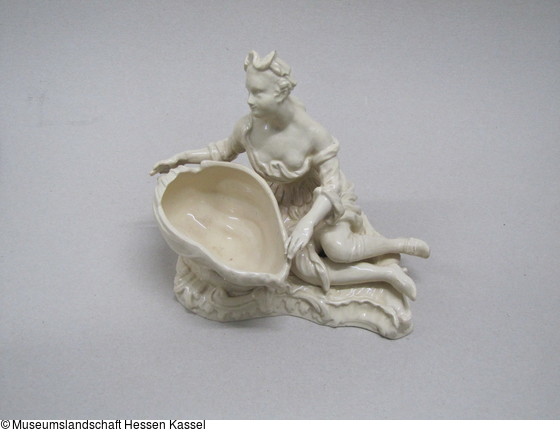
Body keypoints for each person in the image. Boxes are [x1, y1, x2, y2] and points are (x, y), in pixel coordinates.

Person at [151, 51, 429, 300]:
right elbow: (222, 150)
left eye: (258, 93)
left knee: (337, 248)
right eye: (249, 92)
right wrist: (182, 158)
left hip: (319, 200)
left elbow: (331, 184)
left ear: (281, 92)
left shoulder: (312, 133)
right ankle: (386, 275)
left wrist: (308, 224)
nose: (249, 101)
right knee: (304, 270)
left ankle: (396, 245)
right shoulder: (249, 127)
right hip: (279, 202)